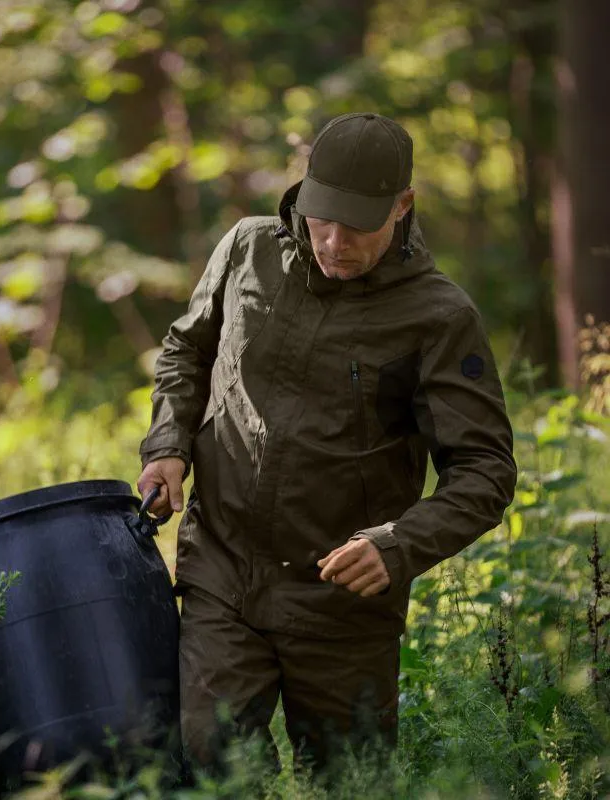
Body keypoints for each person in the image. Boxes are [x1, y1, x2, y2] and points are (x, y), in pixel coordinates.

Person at [136, 111, 517, 782]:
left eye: (358, 226)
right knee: (211, 761)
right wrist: (168, 443)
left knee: (352, 785)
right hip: (224, 571)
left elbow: (485, 470)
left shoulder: (439, 316)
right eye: (321, 219)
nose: (334, 243)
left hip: (342, 608)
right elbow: (186, 351)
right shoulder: (248, 249)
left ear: (403, 207)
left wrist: (398, 544)